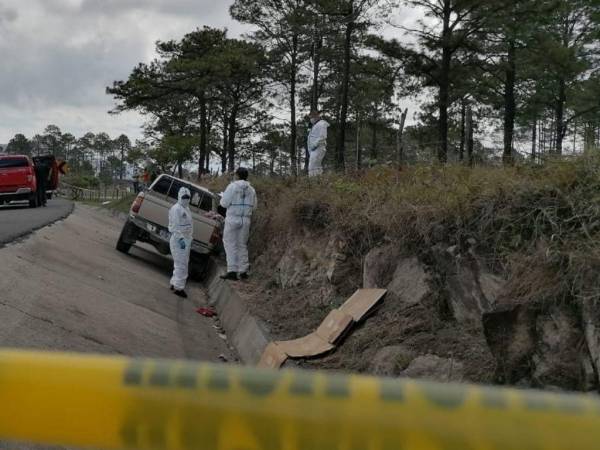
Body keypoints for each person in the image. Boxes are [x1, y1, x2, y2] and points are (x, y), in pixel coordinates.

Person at [220, 167, 257, 281]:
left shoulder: (232, 186)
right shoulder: (252, 190)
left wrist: (222, 197)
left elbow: (224, 203)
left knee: (230, 244)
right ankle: (243, 271)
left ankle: (232, 271)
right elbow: (254, 207)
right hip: (245, 220)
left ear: (237, 175)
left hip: (232, 218)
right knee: (242, 245)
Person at [168, 187, 193, 298]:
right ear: (179, 196)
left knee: (180, 263)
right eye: (184, 197)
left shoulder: (186, 208)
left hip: (185, 240)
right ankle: (179, 288)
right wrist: (181, 239)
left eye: (188, 197)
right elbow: (174, 226)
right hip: (179, 241)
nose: (186, 199)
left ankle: (174, 283)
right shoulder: (176, 209)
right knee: (182, 265)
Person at [307, 110, 329, 177]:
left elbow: (322, 137)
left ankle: (313, 181)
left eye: (311, 117)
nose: (311, 119)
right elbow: (313, 136)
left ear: (316, 117)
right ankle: (318, 181)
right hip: (314, 149)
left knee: (313, 166)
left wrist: (314, 145)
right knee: (316, 166)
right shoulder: (315, 125)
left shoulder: (321, 124)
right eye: (310, 118)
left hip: (318, 148)